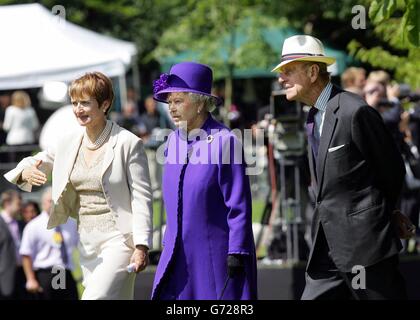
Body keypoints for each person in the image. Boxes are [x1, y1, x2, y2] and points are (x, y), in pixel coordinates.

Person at [272, 35, 414, 299]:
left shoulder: (354, 111)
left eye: (288, 71)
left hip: (366, 248)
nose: (282, 79)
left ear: (313, 71)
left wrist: (390, 213)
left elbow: (391, 168)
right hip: (326, 249)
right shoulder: (314, 115)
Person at [4, 72, 153, 300]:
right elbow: (37, 161)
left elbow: (142, 197)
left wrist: (142, 245)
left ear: (105, 104)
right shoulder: (68, 141)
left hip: (120, 241)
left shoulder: (128, 143)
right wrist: (26, 170)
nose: (78, 109)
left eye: (85, 103)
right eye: (74, 103)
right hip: (86, 243)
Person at [151, 61, 257, 300]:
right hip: (177, 258)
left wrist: (237, 251)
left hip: (214, 258)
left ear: (200, 103)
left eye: (178, 101)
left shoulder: (225, 141)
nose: (172, 108)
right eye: (169, 102)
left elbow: (238, 204)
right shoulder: (173, 143)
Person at [20, 187, 79, 300]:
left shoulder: (70, 223)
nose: (53, 204)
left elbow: (81, 246)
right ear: (42, 203)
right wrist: (30, 279)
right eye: (49, 201)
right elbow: (26, 253)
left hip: (65, 271)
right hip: (46, 273)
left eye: (56, 200)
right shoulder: (34, 226)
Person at [0, 190, 26, 299]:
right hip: (4, 276)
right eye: (18, 204)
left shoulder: (21, 224)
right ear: (7, 203)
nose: (21, 208)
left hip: (21, 274)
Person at [3, 91, 39, 163]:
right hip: (28, 139)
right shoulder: (30, 110)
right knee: (27, 163)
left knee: (14, 163)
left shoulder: (10, 110)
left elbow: (6, 126)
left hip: (13, 140)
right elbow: (35, 126)